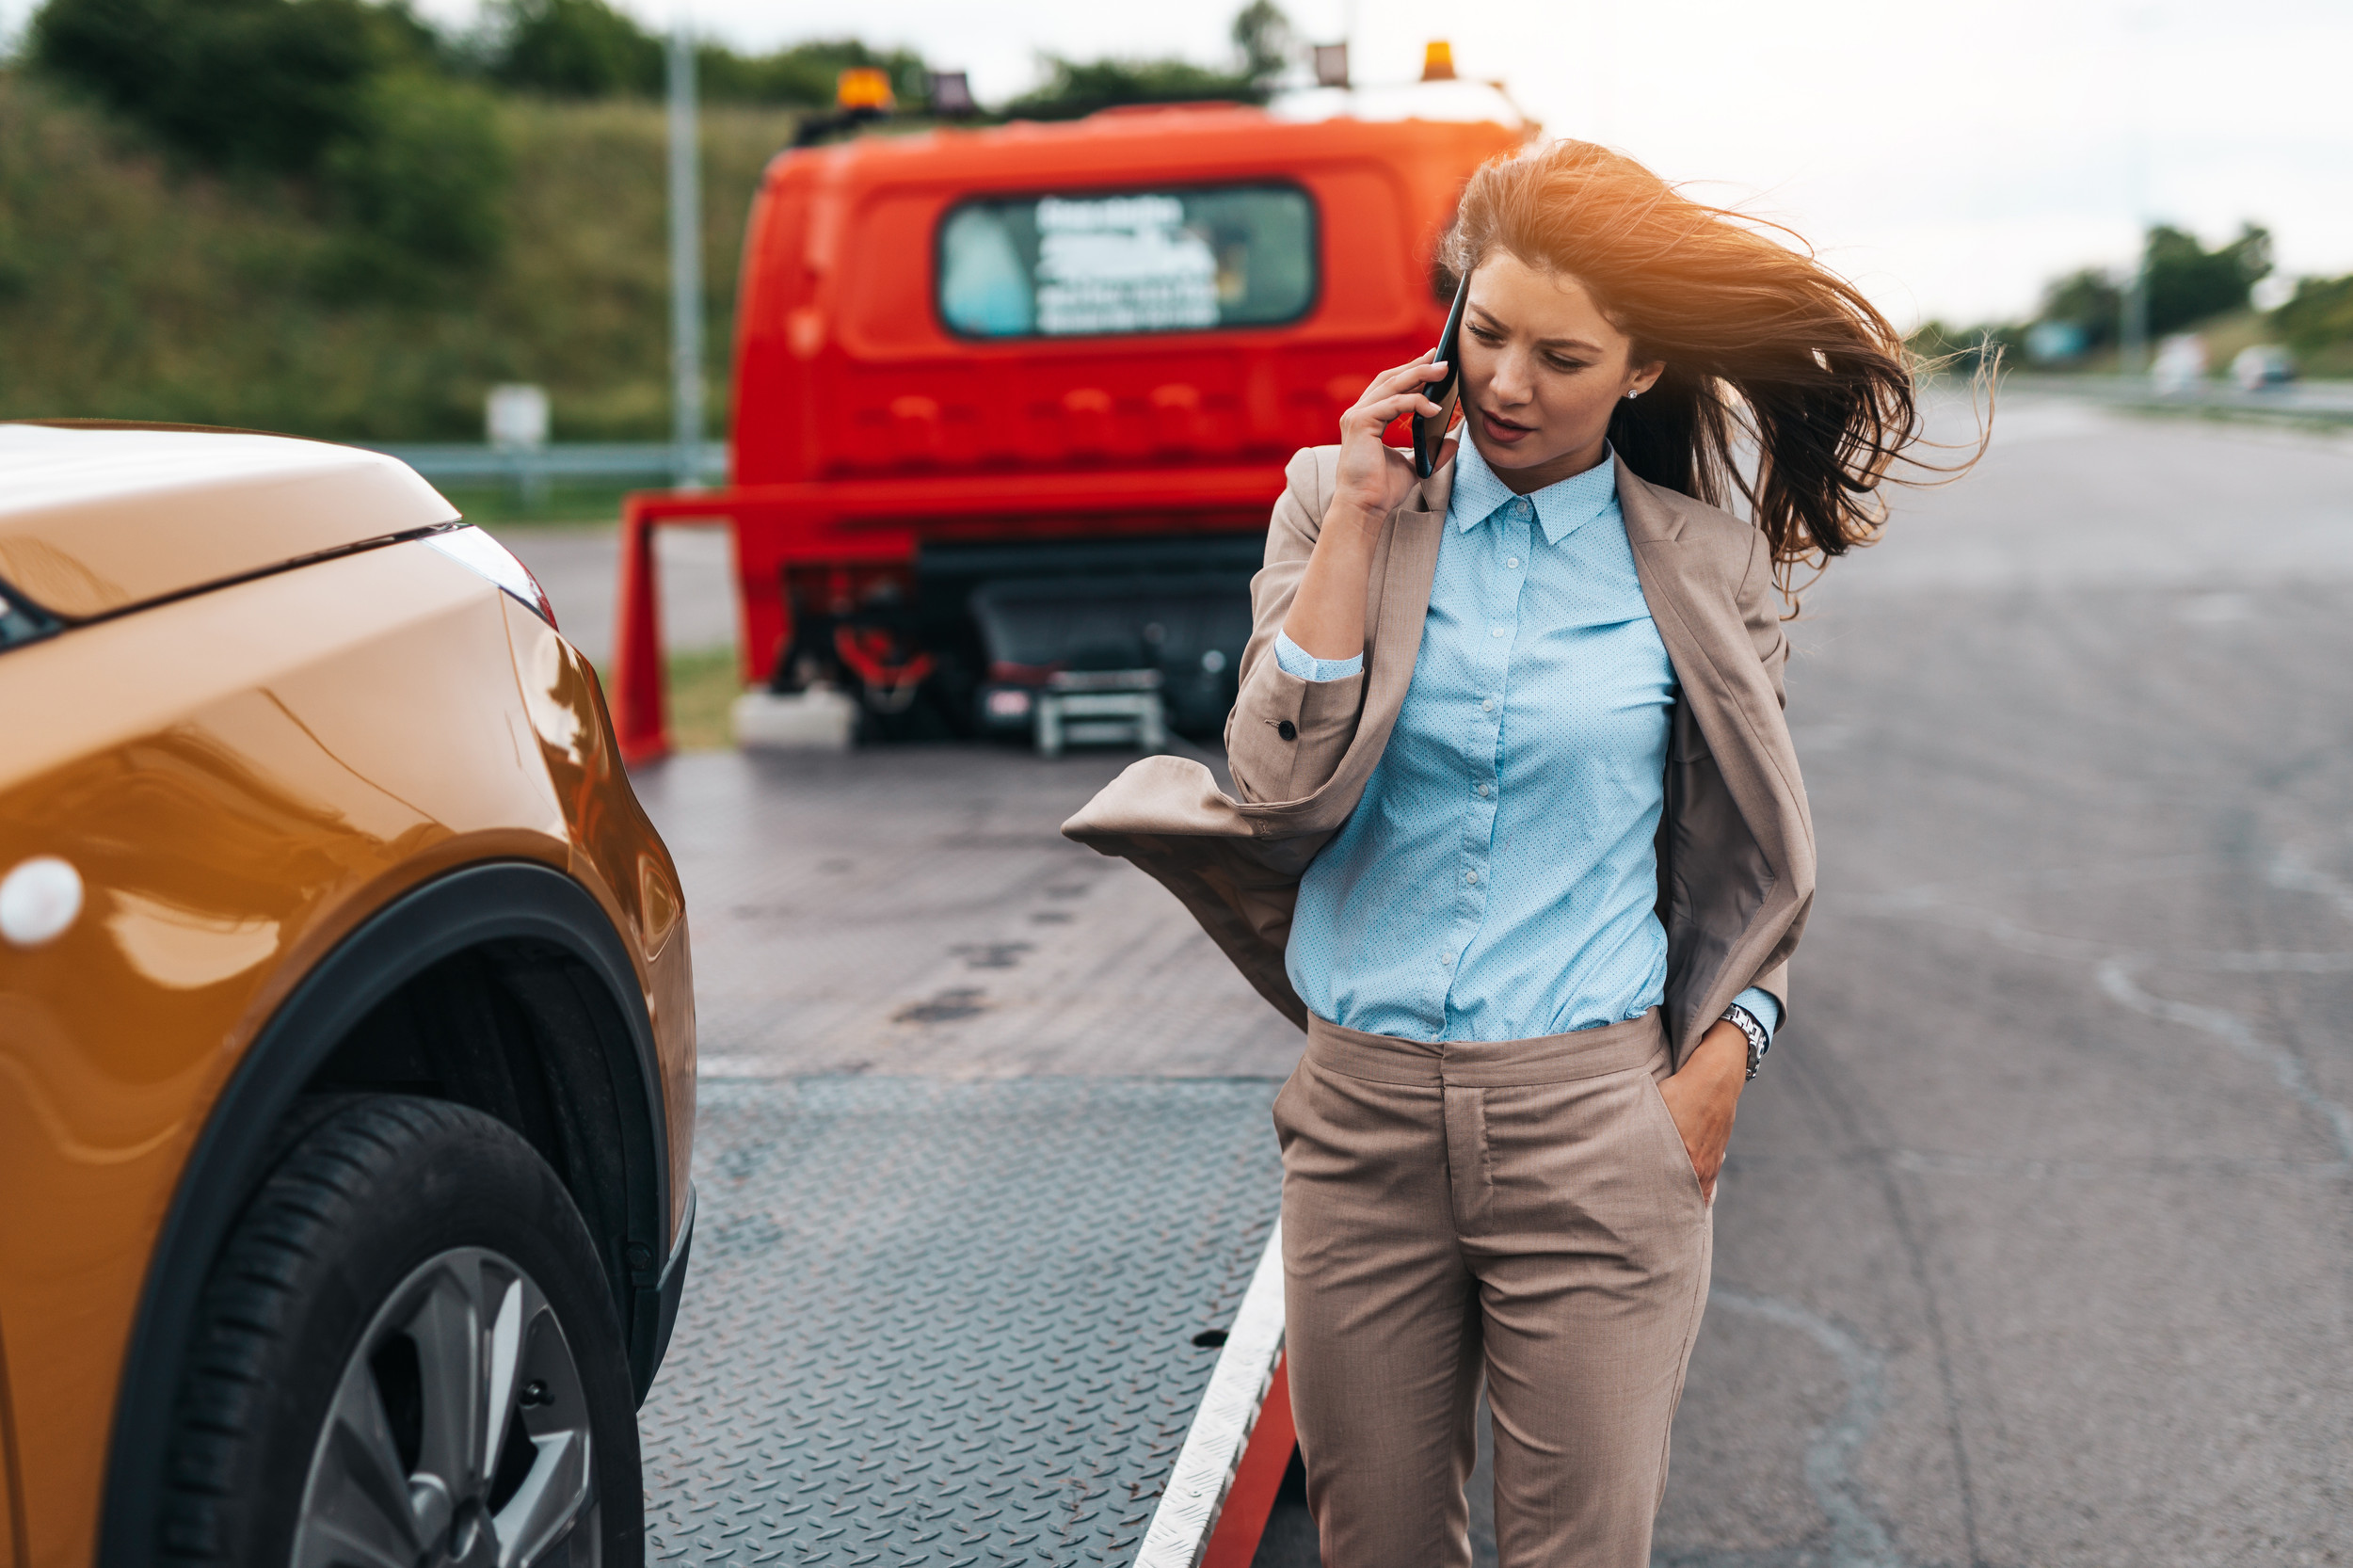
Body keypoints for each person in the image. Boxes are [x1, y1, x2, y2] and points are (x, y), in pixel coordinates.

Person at [1065, 137, 1957, 1567]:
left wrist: (1728, 1056)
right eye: (1485, 332)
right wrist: (1362, 522)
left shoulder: (1708, 566)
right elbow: (1276, 780)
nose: (1507, 384)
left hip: (1594, 1125)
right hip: (1359, 1125)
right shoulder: (1333, 498)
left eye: (1562, 355)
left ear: (1642, 368)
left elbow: (1742, 855)